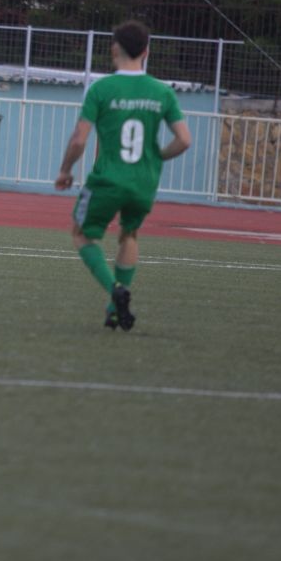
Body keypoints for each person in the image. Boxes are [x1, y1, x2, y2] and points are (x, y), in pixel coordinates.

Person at [54, 20, 191, 330]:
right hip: (144, 181)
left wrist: (65, 170)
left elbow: (79, 139)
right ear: (146, 51)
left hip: (108, 179)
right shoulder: (162, 92)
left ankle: (115, 290)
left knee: (81, 234)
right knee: (129, 235)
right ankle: (114, 310)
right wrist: (156, 157)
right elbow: (184, 140)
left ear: (114, 48)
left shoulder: (102, 89)